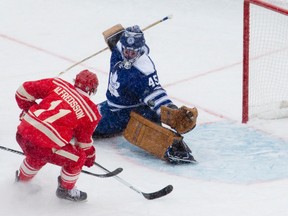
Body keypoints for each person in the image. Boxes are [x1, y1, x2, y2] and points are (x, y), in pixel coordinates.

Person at [93, 25, 198, 164]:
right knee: (80, 117)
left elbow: (156, 93)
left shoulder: (144, 70)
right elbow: (114, 33)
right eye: (126, 50)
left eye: (133, 52)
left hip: (128, 113)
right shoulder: (119, 46)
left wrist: (172, 111)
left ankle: (173, 147)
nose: (129, 55)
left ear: (140, 49)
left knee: (84, 125)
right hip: (112, 107)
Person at [15, 70, 101, 202]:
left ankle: (21, 182)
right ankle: (66, 190)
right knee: (78, 158)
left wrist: (31, 111)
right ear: (92, 90)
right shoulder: (90, 112)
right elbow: (83, 144)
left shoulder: (57, 83)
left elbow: (22, 91)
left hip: (23, 133)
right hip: (43, 145)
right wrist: (89, 157)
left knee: (38, 153)